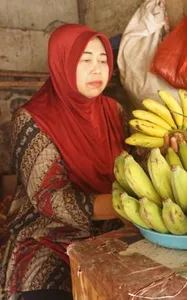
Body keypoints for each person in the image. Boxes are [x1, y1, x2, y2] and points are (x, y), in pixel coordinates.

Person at [0, 24, 132, 300]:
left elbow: (135, 164)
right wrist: (123, 205)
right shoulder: (32, 118)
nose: (97, 70)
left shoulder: (114, 110)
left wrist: (166, 151)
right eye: (84, 60)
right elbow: (49, 198)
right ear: (62, 63)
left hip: (112, 232)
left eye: (103, 59)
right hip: (49, 234)